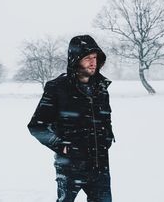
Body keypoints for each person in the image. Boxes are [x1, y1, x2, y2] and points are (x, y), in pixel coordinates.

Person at [27, 34, 115, 202]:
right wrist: (60, 145)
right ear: (75, 60)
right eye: (87, 58)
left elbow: (106, 119)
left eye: (95, 58)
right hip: (70, 166)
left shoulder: (101, 89)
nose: (92, 62)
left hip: (100, 166)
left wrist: (107, 137)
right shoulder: (57, 88)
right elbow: (36, 126)